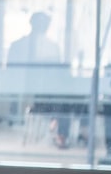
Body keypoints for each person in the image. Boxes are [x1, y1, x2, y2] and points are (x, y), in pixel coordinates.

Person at [5, 12, 74, 147]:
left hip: (44, 93)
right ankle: (59, 134)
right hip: (35, 96)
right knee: (64, 105)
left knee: (65, 102)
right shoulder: (26, 46)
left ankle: (58, 132)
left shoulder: (47, 46)